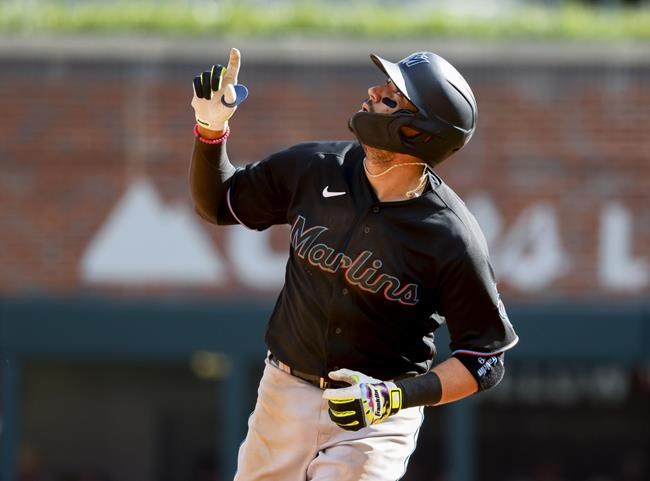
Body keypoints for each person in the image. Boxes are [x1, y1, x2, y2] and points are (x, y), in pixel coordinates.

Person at [189, 47, 518, 481]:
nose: (373, 91)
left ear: (418, 131)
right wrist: (211, 129)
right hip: (283, 396)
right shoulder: (315, 168)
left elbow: (484, 361)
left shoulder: (451, 236)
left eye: (391, 96)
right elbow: (219, 203)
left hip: (375, 418)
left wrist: (394, 397)